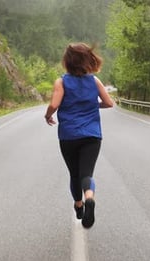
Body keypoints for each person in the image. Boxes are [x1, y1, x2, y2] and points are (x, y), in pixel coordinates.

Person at [44, 42, 114, 229]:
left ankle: (78, 205)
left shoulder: (62, 82)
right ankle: (89, 197)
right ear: (86, 60)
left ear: (67, 61)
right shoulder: (94, 81)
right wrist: (92, 106)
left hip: (69, 136)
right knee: (86, 173)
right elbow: (109, 103)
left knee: (74, 174)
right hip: (92, 135)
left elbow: (54, 104)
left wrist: (48, 115)